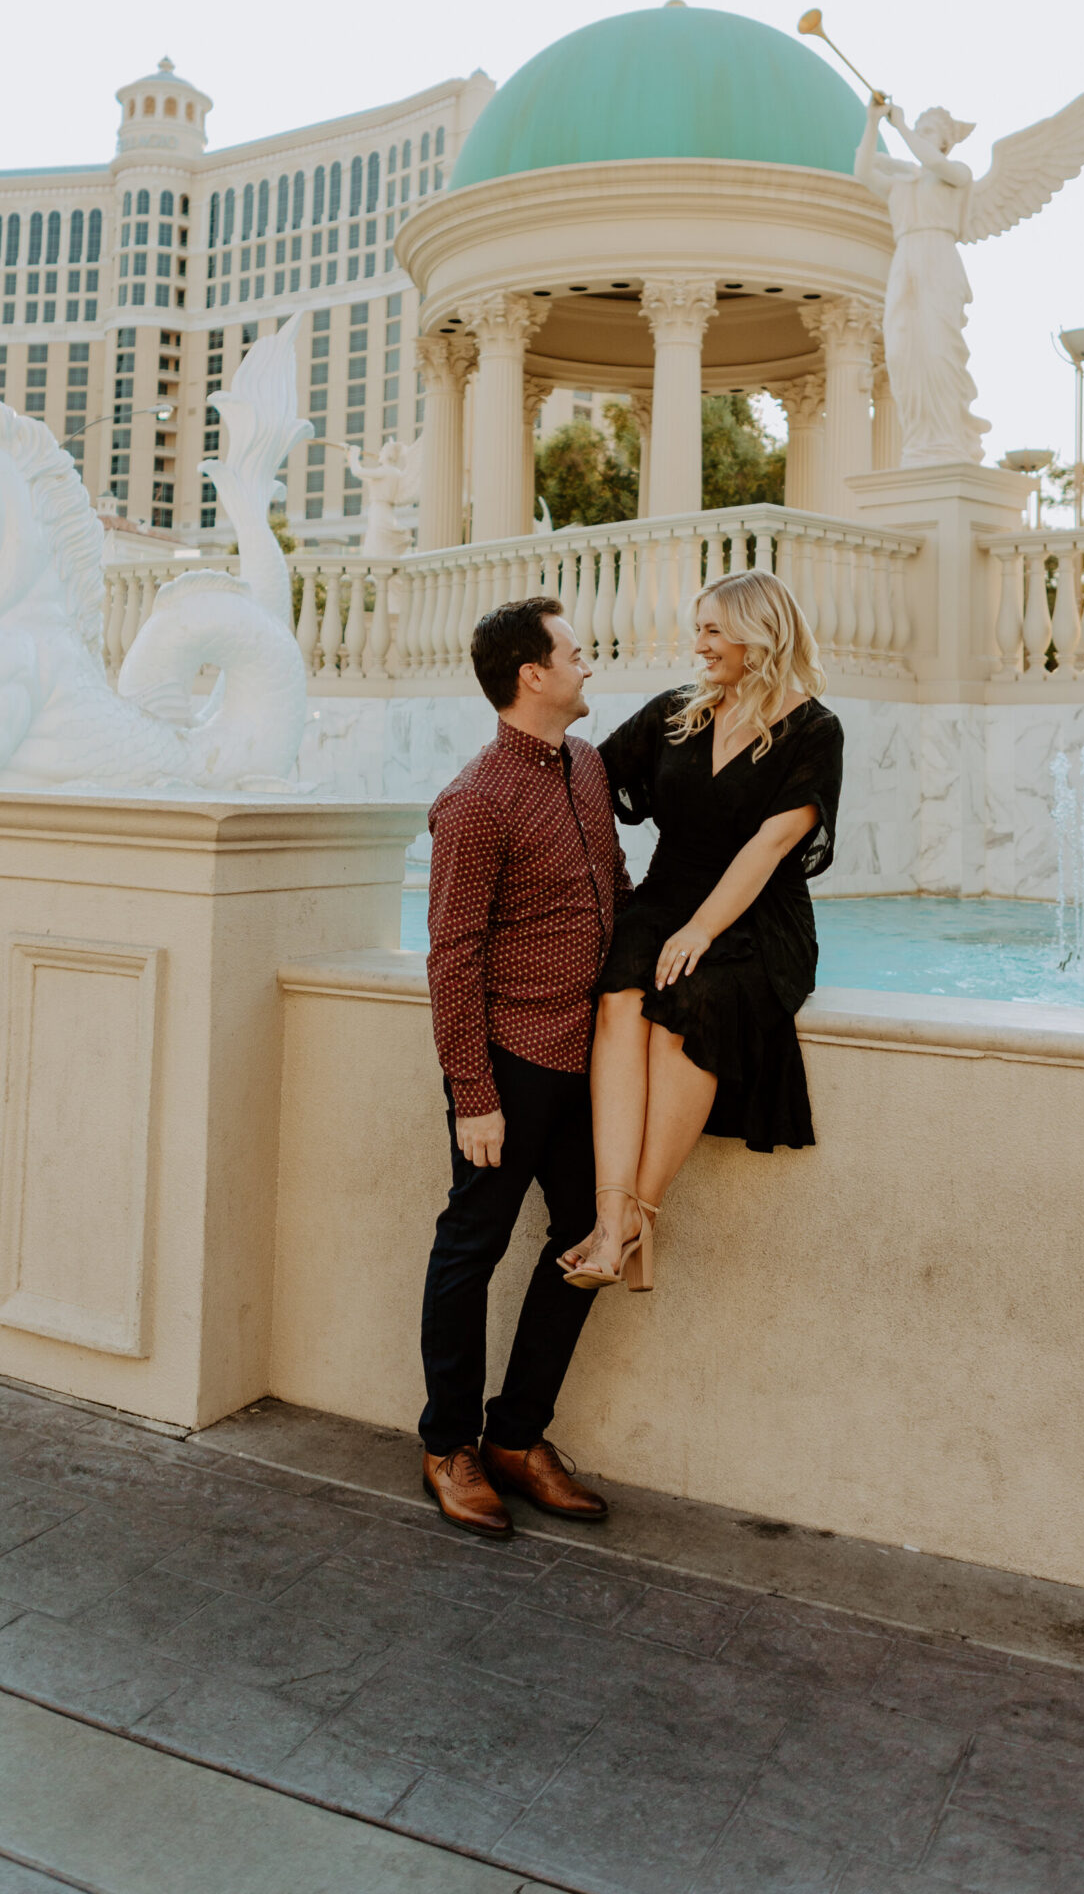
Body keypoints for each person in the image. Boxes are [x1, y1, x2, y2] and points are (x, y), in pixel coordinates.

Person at [558, 569, 843, 1291]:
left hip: (755, 915)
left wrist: (701, 931)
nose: (700, 644)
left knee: (689, 1005)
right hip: (663, 897)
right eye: (700, 629)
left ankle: (632, 1220)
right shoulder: (674, 712)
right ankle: (610, 1208)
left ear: (759, 632)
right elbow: (586, 777)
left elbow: (770, 846)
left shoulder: (814, 728)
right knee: (621, 996)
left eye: (714, 629)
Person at [420, 596, 628, 1537]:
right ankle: (448, 1445)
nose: (589, 666)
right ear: (531, 675)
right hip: (510, 1062)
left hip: (592, 1059)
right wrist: (474, 1096)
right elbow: (452, 955)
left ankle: (515, 1434)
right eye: (575, 654)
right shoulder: (474, 801)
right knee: (472, 1249)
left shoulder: (585, 765)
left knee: (589, 1238)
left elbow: (617, 890)